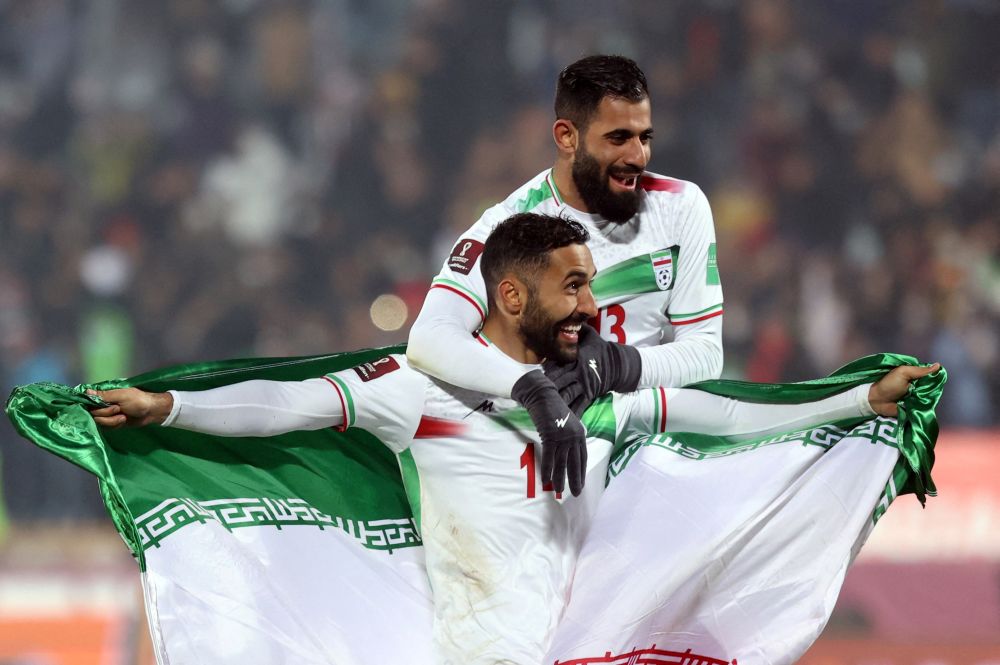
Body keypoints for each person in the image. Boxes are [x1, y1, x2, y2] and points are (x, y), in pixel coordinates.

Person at [89, 213, 935, 665]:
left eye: (592, 288)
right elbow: (287, 405)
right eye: (573, 288)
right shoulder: (420, 391)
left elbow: (729, 417)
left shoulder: (600, 401)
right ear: (513, 298)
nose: (591, 308)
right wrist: (168, 407)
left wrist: (860, 397)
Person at [407, 54, 725, 496]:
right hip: (544, 466)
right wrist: (530, 388)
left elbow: (706, 354)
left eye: (644, 137)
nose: (638, 156)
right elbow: (429, 338)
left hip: (645, 463)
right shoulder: (508, 227)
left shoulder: (680, 206)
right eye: (618, 138)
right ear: (566, 136)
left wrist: (615, 365)